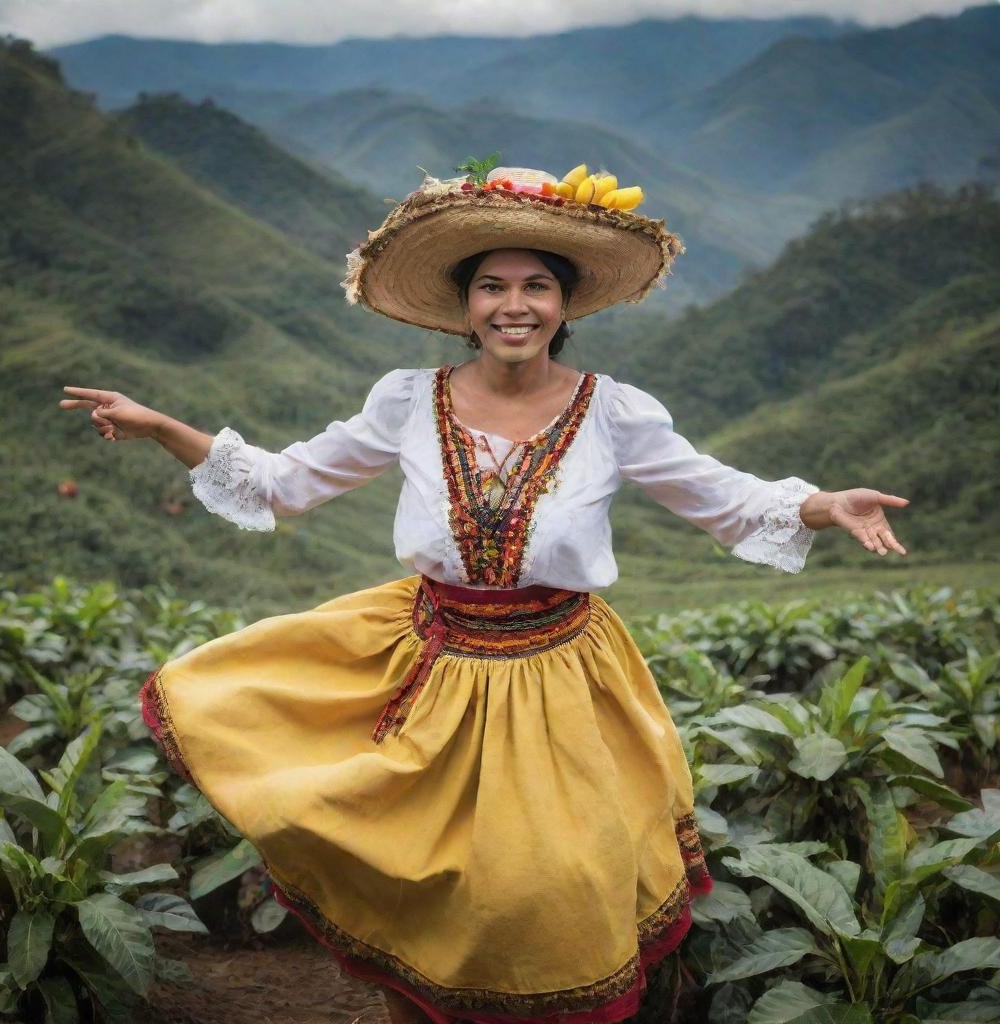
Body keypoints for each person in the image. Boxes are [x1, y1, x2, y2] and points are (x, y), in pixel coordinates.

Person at [58, 163, 909, 1024]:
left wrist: (825, 504)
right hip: (425, 667)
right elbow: (284, 483)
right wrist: (164, 425)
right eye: (493, 286)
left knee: (549, 887)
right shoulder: (407, 401)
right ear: (464, 306)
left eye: (537, 286)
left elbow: (722, 496)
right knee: (421, 877)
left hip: (560, 680)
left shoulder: (614, 413)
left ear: (566, 304)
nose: (515, 305)